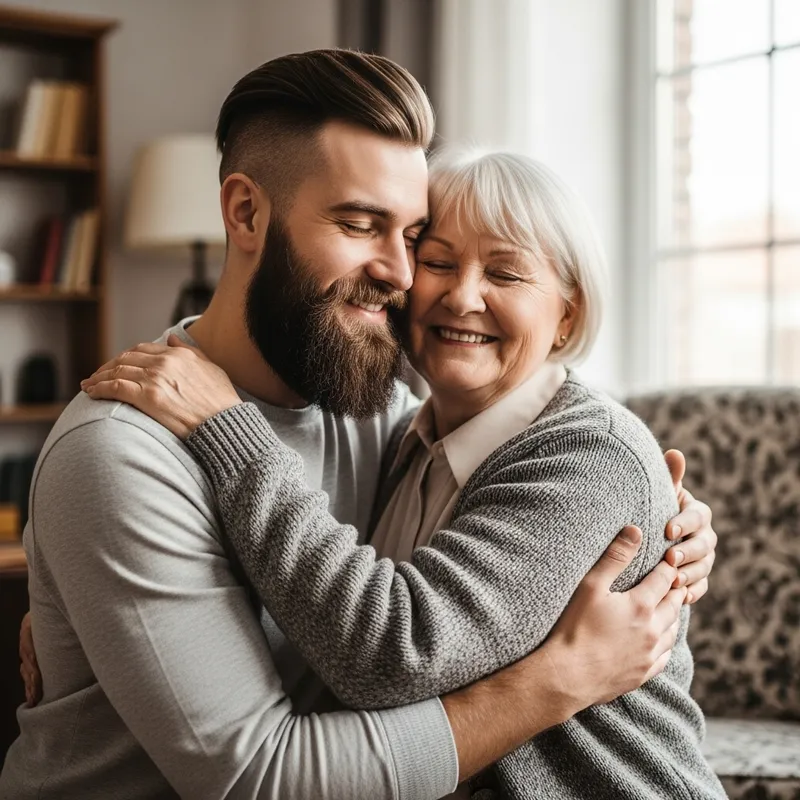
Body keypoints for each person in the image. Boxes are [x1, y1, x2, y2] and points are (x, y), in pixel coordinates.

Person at [4, 52, 716, 800]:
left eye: (411, 236)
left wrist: (670, 521)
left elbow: (539, 486)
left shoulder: (378, 417)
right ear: (245, 212)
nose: (406, 276)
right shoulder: (121, 453)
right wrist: (556, 682)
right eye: (359, 224)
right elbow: (262, 776)